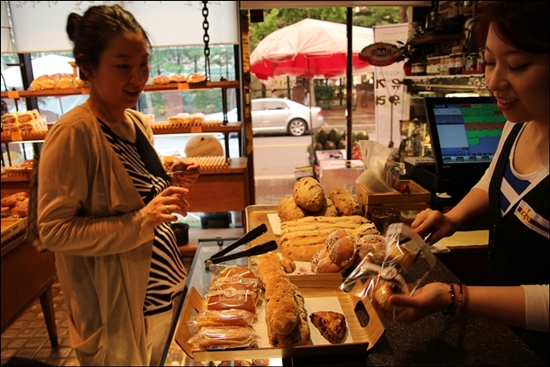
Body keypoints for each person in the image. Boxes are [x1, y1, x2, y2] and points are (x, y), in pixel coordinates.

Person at [378, 1, 549, 362]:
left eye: (517, 65)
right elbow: (495, 179)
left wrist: (455, 296)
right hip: (504, 332)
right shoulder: (517, 124)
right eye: (489, 61)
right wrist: (452, 218)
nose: (493, 81)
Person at [36, 5, 200, 366]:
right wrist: (142, 221)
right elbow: (53, 231)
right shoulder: (73, 133)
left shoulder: (136, 123)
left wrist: (168, 186)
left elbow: (128, 199)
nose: (138, 77)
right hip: (119, 317)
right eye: (123, 65)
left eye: (143, 63)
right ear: (87, 67)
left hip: (163, 296)